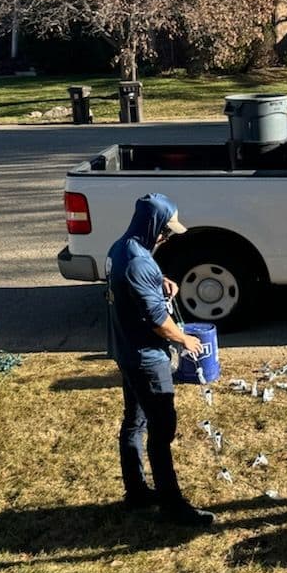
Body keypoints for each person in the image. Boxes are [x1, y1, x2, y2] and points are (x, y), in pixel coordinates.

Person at [106, 192, 215, 527]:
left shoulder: (121, 248)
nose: (166, 237)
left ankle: (136, 492)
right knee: (162, 429)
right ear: (152, 225)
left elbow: (131, 289)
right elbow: (157, 321)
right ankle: (173, 505)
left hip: (124, 350)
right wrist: (186, 340)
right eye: (165, 231)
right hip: (146, 357)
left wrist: (160, 281)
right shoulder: (138, 262)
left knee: (134, 422)